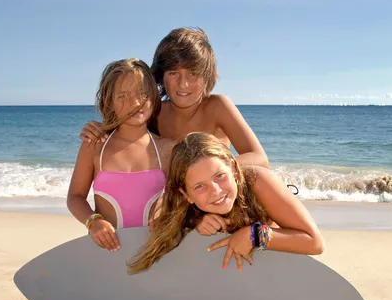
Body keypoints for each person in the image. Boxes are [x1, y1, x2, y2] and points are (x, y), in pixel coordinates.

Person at [79, 27, 270, 236]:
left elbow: (259, 158)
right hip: (186, 207)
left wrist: (206, 175)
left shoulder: (218, 106)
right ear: (160, 78)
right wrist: (101, 128)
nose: (183, 84)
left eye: (193, 73)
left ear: (206, 76)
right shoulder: (157, 113)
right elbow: (130, 130)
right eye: (173, 73)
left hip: (218, 200)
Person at [126, 132, 324, 275]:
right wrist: (194, 223)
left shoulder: (259, 181)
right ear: (186, 195)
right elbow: (156, 224)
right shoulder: (180, 200)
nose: (216, 191)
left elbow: (314, 242)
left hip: (270, 269)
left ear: (234, 170)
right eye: (200, 187)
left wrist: (254, 234)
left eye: (220, 176)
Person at [67, 58, 174, 253]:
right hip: (108, 254)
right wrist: (93, 221)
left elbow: (184, 197)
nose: (134, 103)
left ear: (153, 97)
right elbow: (75, 196)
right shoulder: (94, 146)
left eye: (142, 93)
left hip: (156, 252)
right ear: (110, 101)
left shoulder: (168, 149)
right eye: (123, 96)